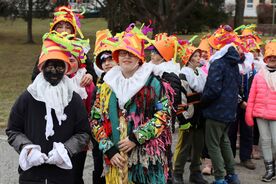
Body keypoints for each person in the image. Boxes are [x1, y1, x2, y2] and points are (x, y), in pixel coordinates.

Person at [90, 25, 172, 184]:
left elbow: (164, 115)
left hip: (146, 161)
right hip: (115, 161)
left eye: (131, 53)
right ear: (117, 57)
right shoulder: (106, 85)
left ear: (139, 56)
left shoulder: (152, 82)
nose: (126, 57)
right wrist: (109, 149)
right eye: (122, 53)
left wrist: (136, 137)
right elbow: (95, 120)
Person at [6, 36, 91, 184]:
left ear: (65, 69)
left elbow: (83, 133)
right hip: (31, 175)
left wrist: (66, 150)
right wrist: (27, 149)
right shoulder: (27, 97)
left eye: (59, 67)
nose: (54, 72)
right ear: (41, 67)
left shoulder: (74, 99)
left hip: (63, 176)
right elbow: (13, 130)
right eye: (50, 67)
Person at [201, 25, 243, 184]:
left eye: (212, 47)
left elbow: (213, 89)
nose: (210, 50)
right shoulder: (234, 62)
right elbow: (239, 85)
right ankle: (232, 175)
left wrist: (203, 102)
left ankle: (219, 178)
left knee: (213, 145)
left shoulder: (218, 63)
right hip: (229, 111)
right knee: (224, 141)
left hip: (216, 111)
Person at [31, 6, 97, 86]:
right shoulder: (49, 48)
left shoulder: (77, 48)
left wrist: (89, 75)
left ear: (72, 31)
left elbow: (91, 71)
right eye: (60, 27)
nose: (64, 30)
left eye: (68, 27)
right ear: (54, 30)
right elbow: (35, 76)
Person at [173, 41, 208, 184]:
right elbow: (181, 97)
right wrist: (183, 118)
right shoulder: (183, 74)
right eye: (196, 55)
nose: (199, 57)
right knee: (185, 146)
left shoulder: (200, 72)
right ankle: (178, 173)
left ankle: (195, 172)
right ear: (189, 58)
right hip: (188, 115)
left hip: (200, 114)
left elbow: (204, 91)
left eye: (199, 55)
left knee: (199, 145)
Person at [149, 33, 181, 184]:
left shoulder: (169, 74)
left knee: (164, 153)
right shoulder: (153, 71)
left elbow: (173, 101)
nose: (151, 54)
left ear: (162, 56)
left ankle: (167, 178)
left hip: (164, 122)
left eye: (155, 52)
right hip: (152, 121)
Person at [245, 40, 276, 182]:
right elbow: (252, 96)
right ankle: (269, 170)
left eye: (275, 58)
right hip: (260, 114)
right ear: (266, 59)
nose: (272, 60)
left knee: (275, 141)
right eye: (270, 57)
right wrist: (249, 113)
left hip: (275, 115)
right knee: (265, 141)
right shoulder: (259, 75)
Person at [90, 29, 117, 184]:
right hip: (102, 138)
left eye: (110, 58)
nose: (107, 63)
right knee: (99, 168)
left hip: (120, 137)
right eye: (103, 60)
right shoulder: (99, 84)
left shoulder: (127, 81)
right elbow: (94, 116)